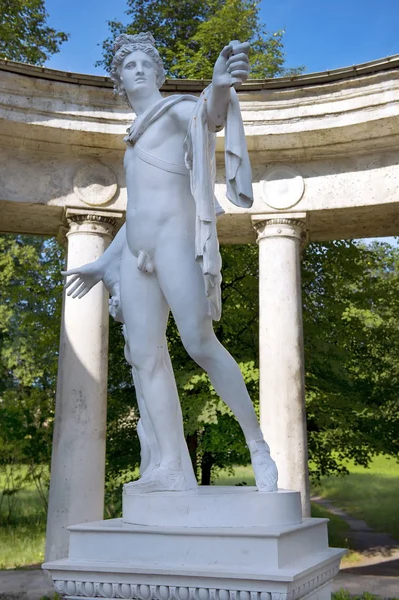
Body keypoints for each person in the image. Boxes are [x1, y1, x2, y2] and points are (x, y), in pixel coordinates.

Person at [62, 32, 278, 493]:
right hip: (136, 259)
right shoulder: (132, 140)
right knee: (143, 359)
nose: (137, 69)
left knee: (200, 343)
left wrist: (219, 86)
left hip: (177, 248)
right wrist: (103, 263)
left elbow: (208, 119)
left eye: (146, 63)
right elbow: (138, 213)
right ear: (119, 80)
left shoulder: (176, 109)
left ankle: (257, 445)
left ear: (158, 74)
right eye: (128, 65)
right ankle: (170, 468)